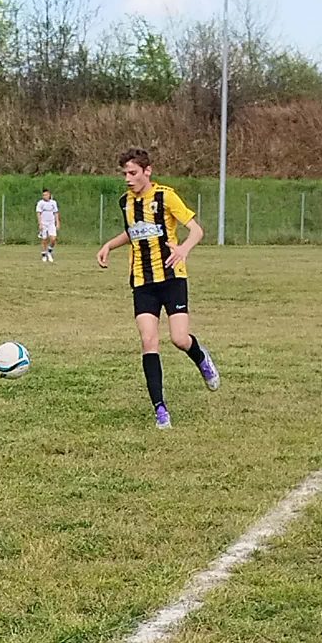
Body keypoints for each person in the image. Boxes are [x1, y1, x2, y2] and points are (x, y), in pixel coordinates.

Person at [96, 147, 220, 430]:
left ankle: (201, 358)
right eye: (125, 173)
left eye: (133, 173)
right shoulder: (125, 202)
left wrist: (184, 249)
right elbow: (133, 231)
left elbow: (196, 230)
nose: (127, 179)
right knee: (148, 341)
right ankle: (160, 409)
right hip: (142, 281)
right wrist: (109, 246)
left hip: (172, 277)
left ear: (147, 171)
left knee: (179, 339)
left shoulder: (166, 196)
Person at [36, 189, 60, 262]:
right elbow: (38, 213)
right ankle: (44, 254)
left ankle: (49, 251)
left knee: (53, 239)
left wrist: (57, 222)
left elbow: (56, 213)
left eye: (46, 195)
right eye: (43, 195)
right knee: (44, 239)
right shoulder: (40, 203)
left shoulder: (53, 203)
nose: (44, 196)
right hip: (44, 223)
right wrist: (40, 224)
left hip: (51, 223)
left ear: (49, 195)